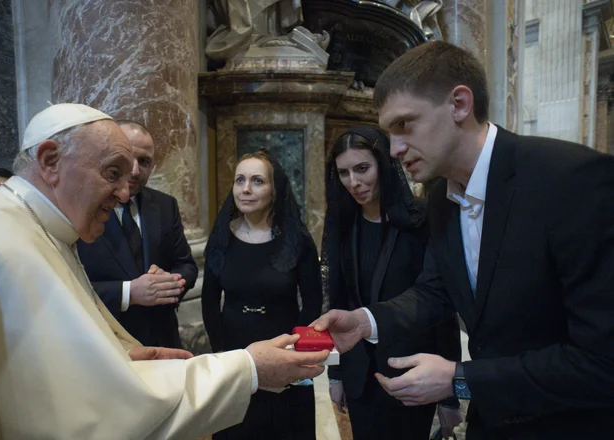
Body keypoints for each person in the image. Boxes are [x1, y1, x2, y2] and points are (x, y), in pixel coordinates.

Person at [0, 103, 329, 440]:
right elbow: (74, 414)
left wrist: (120, 355)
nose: (123, 191)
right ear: (51, 161)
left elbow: (46, 368)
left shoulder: (37, 228)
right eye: (112, 172)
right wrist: (248, 368)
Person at [313, 40, 614, 439]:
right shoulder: (441, 196)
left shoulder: (572, 180)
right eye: (389, 133)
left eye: (404, 125)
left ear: (459, 104)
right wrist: (364, 322)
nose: (395, 150)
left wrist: (461, 379)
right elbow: (435, 292)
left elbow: (601, 361)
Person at [322, 125, 462, 439]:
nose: (353, 183)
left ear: (384, 165)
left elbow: (441, 306)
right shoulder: (343, 223)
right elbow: (338, 299)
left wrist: (449, 393)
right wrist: (336, 373)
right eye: (343, 173)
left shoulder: (422, 218)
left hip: (412, 371)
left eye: (362, 169)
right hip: (360, 373)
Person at [202, 150, 323, 440]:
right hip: (234, 356)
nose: (245, 189)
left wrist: (294, 354)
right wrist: (222, 354)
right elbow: (208, 302)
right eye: (239, 180)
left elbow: (313, 303)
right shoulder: (221, 237)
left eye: (257, 181)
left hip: (284, 354)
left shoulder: (297, 240)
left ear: (274, 190)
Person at [77, 120, 197, 349]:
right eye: (127, 157)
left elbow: (186, 265)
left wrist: (167, 283)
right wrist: (129, 293)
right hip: (108, 343)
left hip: (164, 340)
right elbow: (69, 284)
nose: (134, 170)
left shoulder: (164, 205)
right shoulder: (83, 207)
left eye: (144, 162)